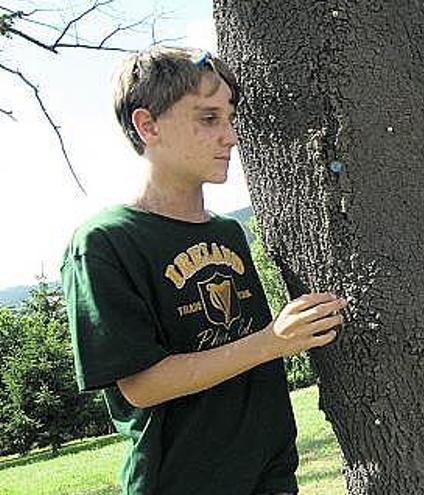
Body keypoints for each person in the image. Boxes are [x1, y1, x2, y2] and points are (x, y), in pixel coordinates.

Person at [61, 47, 345, 495]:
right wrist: (272, 342)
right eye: (209, 119)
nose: (230, 136)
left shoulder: (230, 233)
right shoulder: (105, 241)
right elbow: (141, 385)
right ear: (147, 125)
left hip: (271, 478)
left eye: (230, 118)